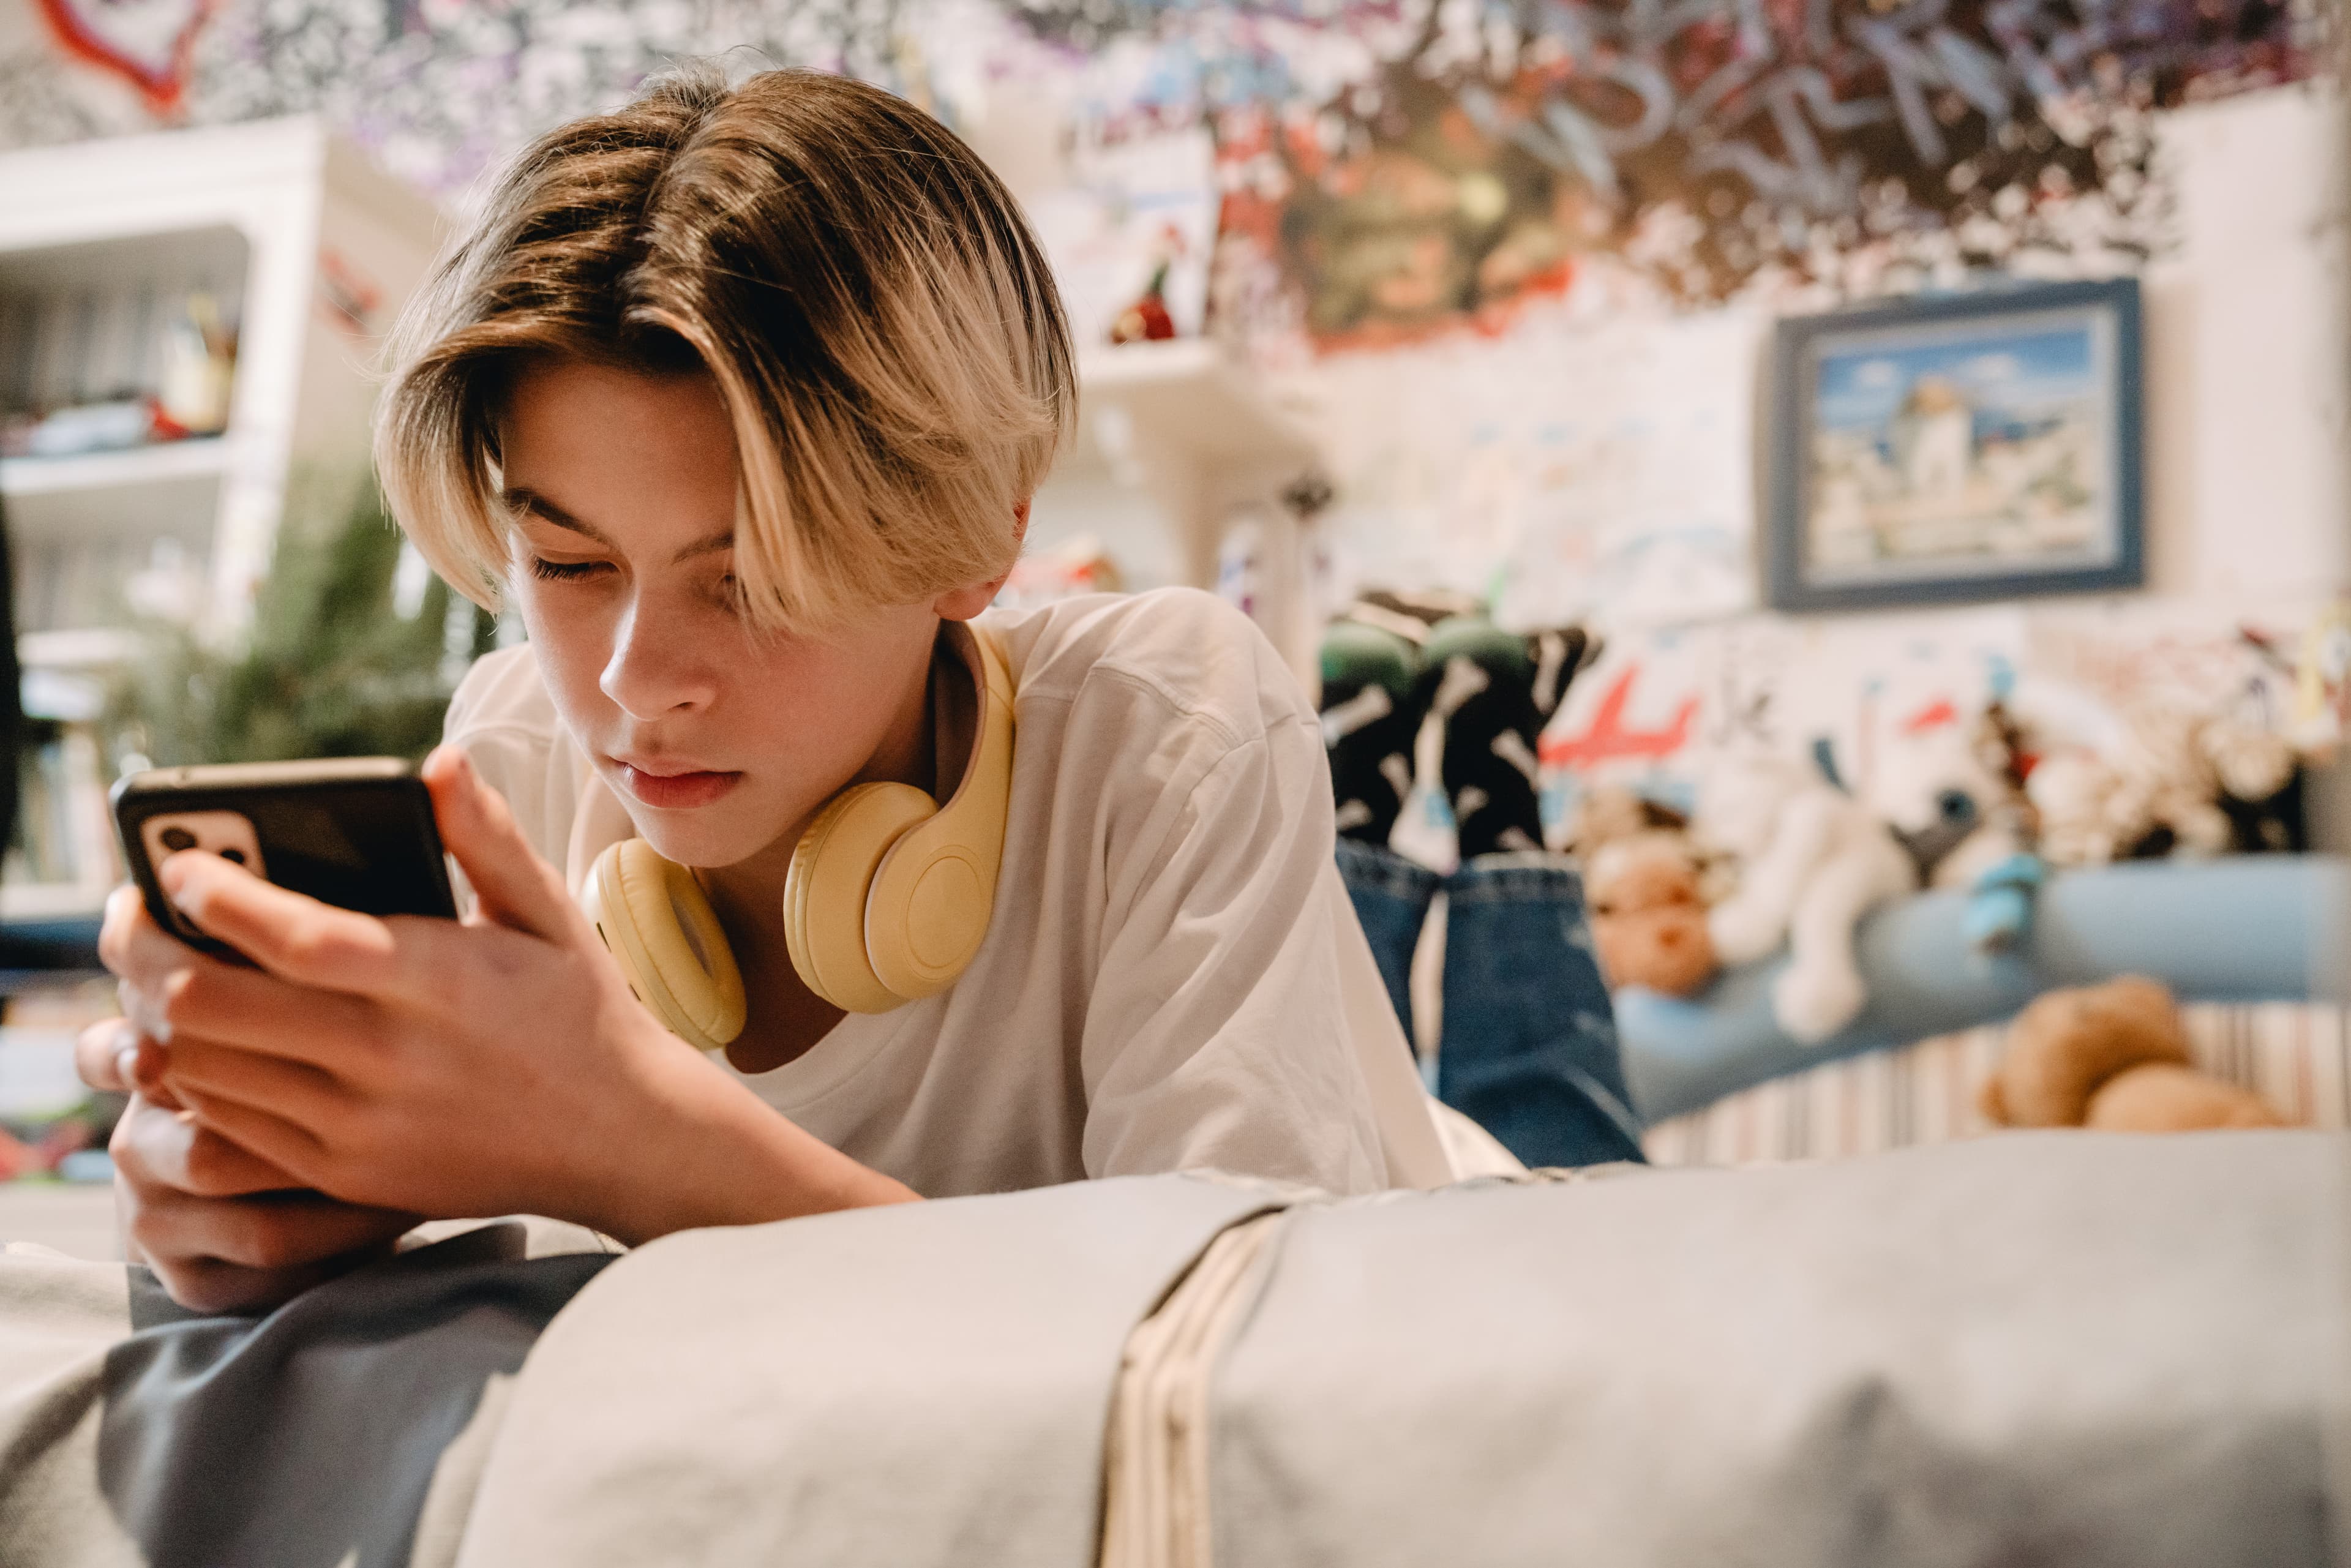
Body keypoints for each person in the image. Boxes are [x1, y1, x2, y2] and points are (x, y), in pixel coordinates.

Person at [75, 65, 1477, 1314]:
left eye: (746, 578)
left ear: (985, 531)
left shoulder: (1164, 723)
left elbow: (1228, 1366)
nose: (635, 684)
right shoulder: (512, 758)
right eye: (567, 564)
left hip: (1450, 1225)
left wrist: (636, 1142)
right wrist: (235, 1216)